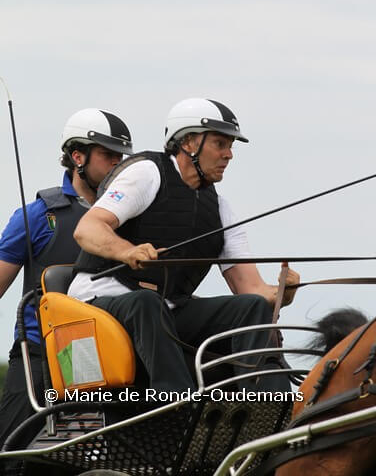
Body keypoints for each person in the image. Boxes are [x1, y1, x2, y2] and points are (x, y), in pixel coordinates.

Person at [70, 98, 300, 394]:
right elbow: (87, 229)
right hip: (99, 303)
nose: (229, 155)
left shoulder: (220, 209)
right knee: (146, 303)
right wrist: (127, 251)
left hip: (163, 313)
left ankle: (266, 402)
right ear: (189, 142)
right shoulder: (147, 173)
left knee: (251, 308)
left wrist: (283, 292)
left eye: (231, 146)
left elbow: (253, 291)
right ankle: (176, 403)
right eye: (220, 144)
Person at [0, 108, 133, 448]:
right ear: (77, 157)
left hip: (109, 356)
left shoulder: (131, 218)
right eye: (107, 154)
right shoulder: (38, 216)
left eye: (121, 157)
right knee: (12, 450)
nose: (116, 164)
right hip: (40, 353)